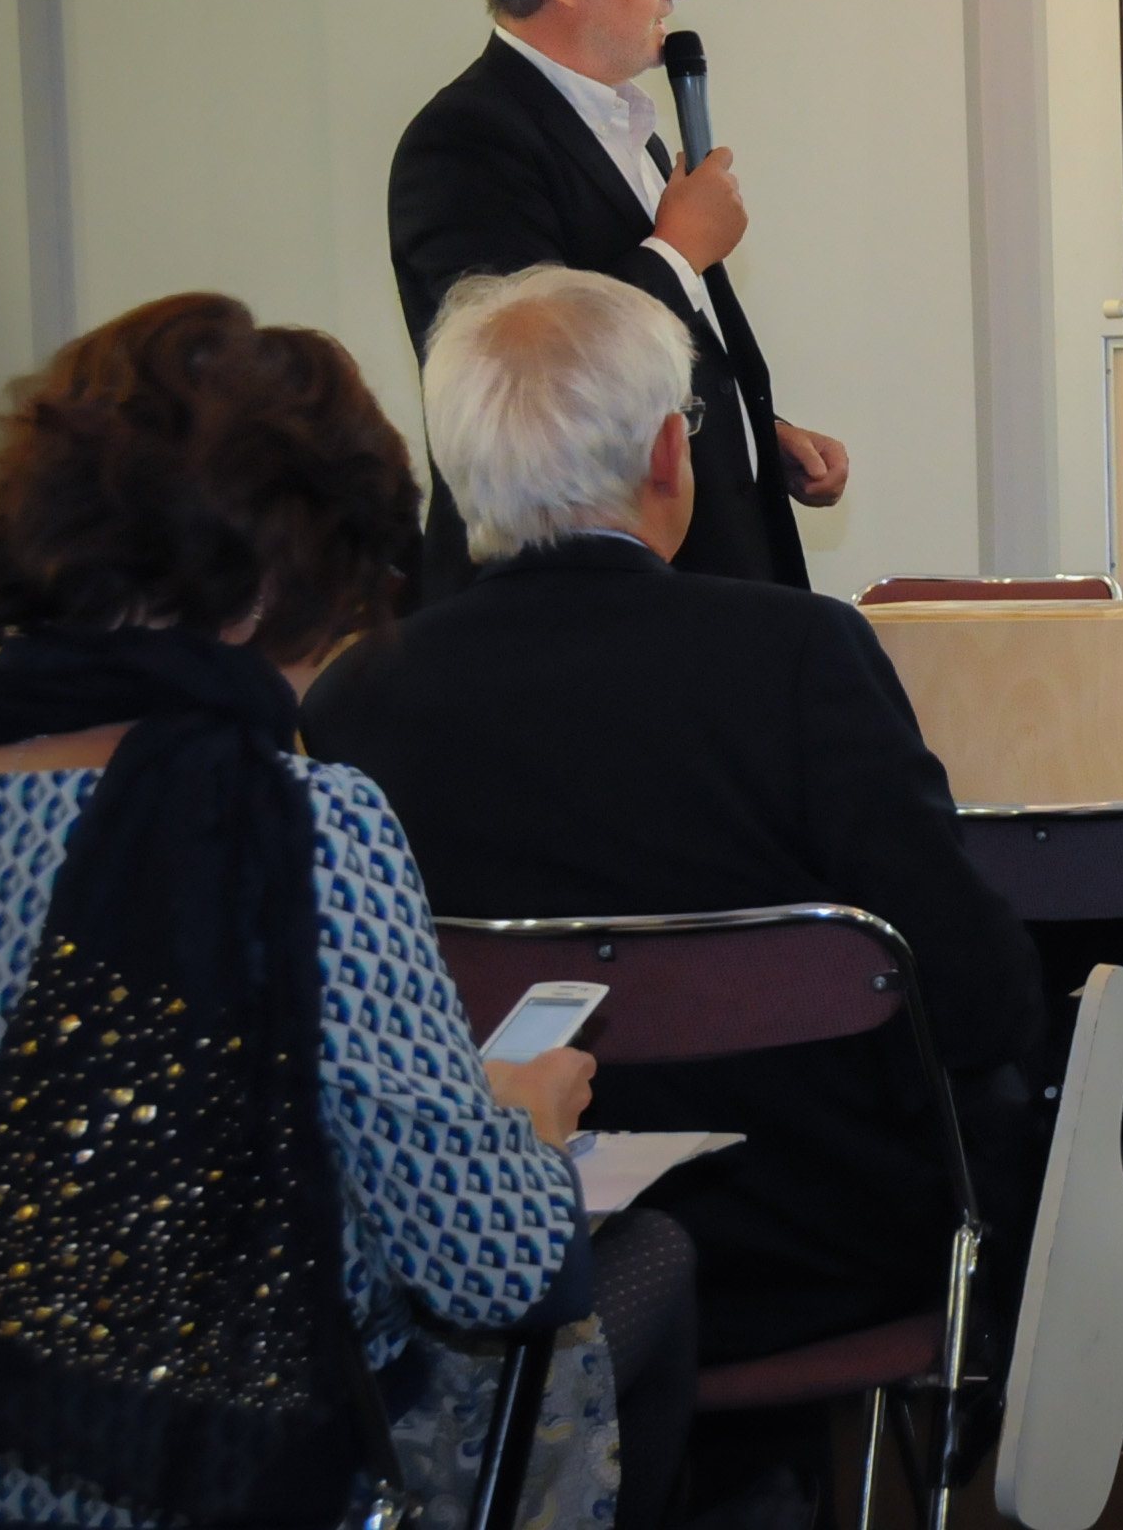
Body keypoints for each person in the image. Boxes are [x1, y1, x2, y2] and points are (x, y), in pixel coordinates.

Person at [0, 293, 692, 1530]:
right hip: (225, 1474)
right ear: (267, 602)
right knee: (635, 1268)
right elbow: (489, 1264)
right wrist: (518, 1125)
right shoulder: (296, 829)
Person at [299, 265, 1042, 1376]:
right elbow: (974, 996)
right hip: (811, 1239)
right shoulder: (799, 653)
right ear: (665, 453)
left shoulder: (355, 698)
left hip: (500, 1251)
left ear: (459, 470)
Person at [386, 0, 847, 601]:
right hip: (563, 614)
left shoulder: (626, 125)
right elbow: (529, 383)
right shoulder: (464, 139)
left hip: (699, 579)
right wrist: (676, 252)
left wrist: (744, 435)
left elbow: (652, 360)